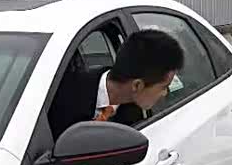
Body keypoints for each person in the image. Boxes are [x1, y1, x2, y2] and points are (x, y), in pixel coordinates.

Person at [48, 28, 185, 139]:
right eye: (163, 87)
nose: (166, 93)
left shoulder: (137, 113)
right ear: (137, 85)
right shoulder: (61, 99)